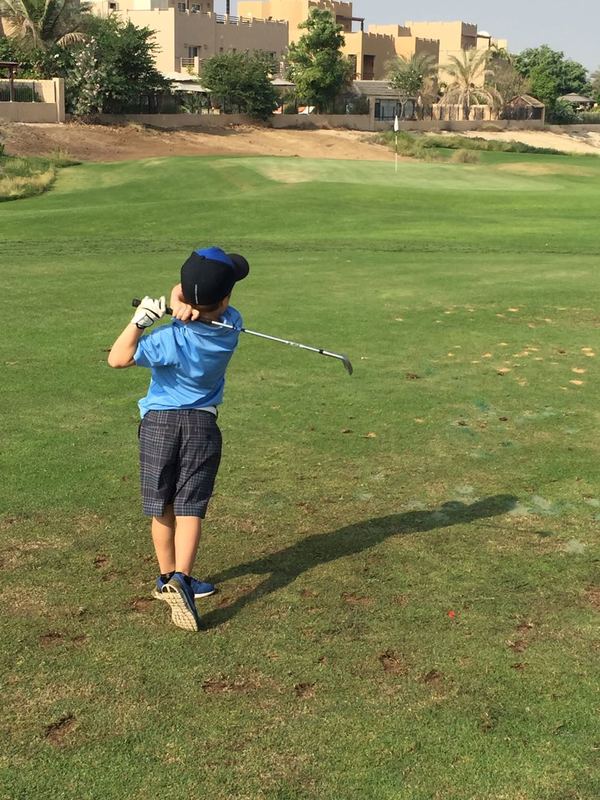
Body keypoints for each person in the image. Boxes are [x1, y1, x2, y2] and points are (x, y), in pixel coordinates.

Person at [108, 246, 249, 631]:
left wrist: (140, 322)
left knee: (162, 506)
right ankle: (182, 580)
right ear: (225, 300)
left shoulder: (167, 339)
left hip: (159, 425)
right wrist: (184, 302)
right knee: (190, 507)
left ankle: (165, 577)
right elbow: (201, 301)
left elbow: (117, 358)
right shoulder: (232, 326)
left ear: (184, 295)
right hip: (201, 426)